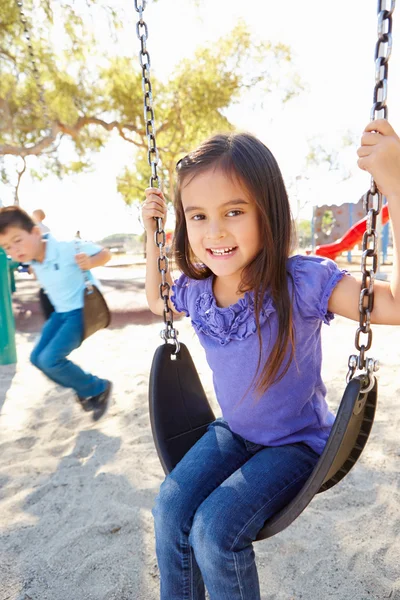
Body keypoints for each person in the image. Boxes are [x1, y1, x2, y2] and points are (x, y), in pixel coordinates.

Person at [141, 118, 400, 600]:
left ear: (268, 211)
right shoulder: (198, 292)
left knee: (215, 531)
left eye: (233, 211)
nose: (214, 231)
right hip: (234, 433)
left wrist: (396, 184)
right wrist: (151, 230)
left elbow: (395, 305)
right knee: (169, 508)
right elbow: (158, 300)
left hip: (296, 445)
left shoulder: (301, 282)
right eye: (197, 216)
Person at [0, 207, 113, 421]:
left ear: (35, 232)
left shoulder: (66, 247)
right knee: (36, 358)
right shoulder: (32, 260)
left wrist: (90, 262)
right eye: (7, 247)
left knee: (51, 360)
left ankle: (98, 387)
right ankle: (83, 386)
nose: (15, 250)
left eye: (17, 240)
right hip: (60, 314)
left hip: (81, 312)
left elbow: (105, 253)